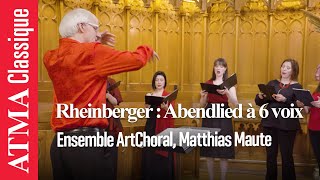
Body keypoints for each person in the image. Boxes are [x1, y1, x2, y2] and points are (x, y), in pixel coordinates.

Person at [44, 8, 159, 180]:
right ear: (82, 26)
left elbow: (79, 61)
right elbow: (136, 60)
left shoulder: (50, 57)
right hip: (86, 144)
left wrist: (95, 40)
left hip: (61, 145)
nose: (98, 33)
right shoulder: (92, 53)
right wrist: (147, 50)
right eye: (96, 28)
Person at [255, 59, 302, 180]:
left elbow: (299, 106)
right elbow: (259, 102)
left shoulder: (297, 86)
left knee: (287, 158)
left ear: (293, 71)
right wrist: (260, 96)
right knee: (270, 157)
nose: (284, 69)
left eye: (288, 67)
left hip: (287, 126)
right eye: (283, 67)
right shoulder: (272, 83)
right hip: (269, 124)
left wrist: (285, 100)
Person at [199, 58, 238, 180]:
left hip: (223, 116)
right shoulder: (208, 83)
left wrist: (227, 92)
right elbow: (201, 105)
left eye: (221, 66)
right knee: (209, 150)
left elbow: (235, 103)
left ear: (225, 69)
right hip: (210, 114)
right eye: (216, 66)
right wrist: (202, 96)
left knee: (223, 150)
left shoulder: (229, 84)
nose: (218, 68)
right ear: (214, 68)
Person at [142, 71, 175, 180]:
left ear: (165, 82)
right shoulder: (150, 95)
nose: (159, 82)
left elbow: (173, 113)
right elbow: (146, 113)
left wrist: (166, 108)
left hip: (163, 128)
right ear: (154, 82)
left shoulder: (168, 95)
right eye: (157, 80)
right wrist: (146, 105)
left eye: (161, 80)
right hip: (150, 126)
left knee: (162, 155)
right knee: (149, 155)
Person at [297, 64, 320, 179]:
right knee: (318, 155)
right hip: (313, 128)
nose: (317, 70)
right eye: (317, 68)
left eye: (319, 69)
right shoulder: (316, 90)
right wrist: (303, 104)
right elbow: (308, 111)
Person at [106, 77, 123, 180]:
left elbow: (116, 102)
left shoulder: (110, 81)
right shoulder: (91, 80)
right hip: (94, 120)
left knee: (111, 156)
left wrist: (107, 95)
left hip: (110, 122)